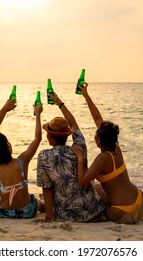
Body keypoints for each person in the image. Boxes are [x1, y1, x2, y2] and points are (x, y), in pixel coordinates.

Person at [72, 83, 143, 224]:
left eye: (96, 135)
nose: (95, 135)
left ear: (99, 141)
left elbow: (82, 182)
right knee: (99, 187)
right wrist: (86, 96)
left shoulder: (103, 158)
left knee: (94, 192)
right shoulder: (116, 147)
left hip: (124, 212)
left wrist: (80, 157)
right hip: (140, 201)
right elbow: (99, 120)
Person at [36, 92, 106, 222]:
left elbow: (47, 188)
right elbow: (74, 124)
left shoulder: (44, 156)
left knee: (43, 195)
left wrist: (48, 217)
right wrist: (59, 102)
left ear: (50, 137)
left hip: (66, 215)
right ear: (67, 136)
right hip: (91, 210)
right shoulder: (79, 147)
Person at [0, 104, 44, 219]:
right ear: (8, 147)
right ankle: (44, 204)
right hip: (27, 212)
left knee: (1, 201)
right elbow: (37, 138)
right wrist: (38, 115)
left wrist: (6, 195)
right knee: (37, 203)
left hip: (5, 213)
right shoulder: (22, 161)